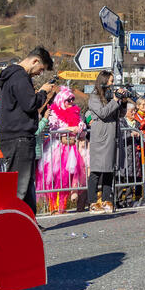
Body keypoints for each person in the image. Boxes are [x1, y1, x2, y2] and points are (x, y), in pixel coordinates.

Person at [0, 47, 55, 212]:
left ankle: (29, 220)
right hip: (20, 137)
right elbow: (30, 104)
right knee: (21, 186)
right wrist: (43, 92)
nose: (39, 74)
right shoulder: (20, 76)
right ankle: (15, 221)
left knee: (27, 183)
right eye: (41, 69)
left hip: (13, 135)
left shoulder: (11, 76)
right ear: (35, 61)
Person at [39, 85, 87, 214]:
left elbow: (82, 126)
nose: (71, 102)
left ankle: (63, 207)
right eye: (68, 100)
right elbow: (53, 130)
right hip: (57, 149)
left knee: (70, 179)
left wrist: (80, 127)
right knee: (57, 179)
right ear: (61, 101)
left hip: (73, 148)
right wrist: (69, 129)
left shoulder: (77, 113)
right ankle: (54, 207)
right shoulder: (55, 114)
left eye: (72, 99)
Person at [87, 70, 123, 213]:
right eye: (111, 81)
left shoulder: (110, 96)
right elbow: (102, 113)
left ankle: (108, 200)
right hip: (100, 138)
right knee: (96, 171)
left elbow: (119, 114)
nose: (112, 83)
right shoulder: (94, 97)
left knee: (109, 170)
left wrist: (122, 101)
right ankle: (93, 202)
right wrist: (115, 100)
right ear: (104, 81)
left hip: (111, 136)